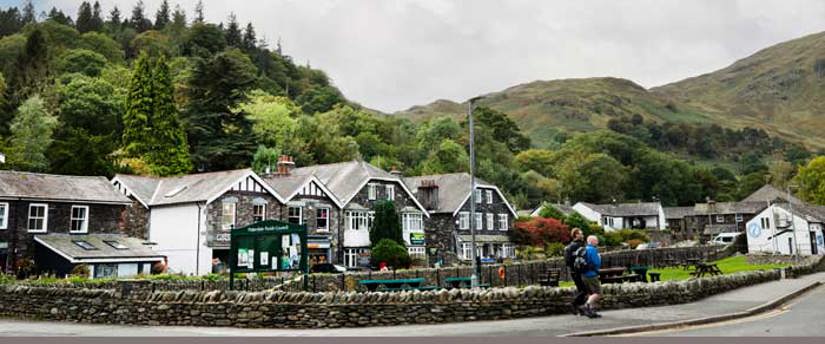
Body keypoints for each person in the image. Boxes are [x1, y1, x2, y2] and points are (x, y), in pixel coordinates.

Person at [564, 228, 587, 315]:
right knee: (584, 290)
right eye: (581, 234)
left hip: (573, 271)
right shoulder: (579, 246)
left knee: (581, 289)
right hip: (579, 271)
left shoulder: (570, 246)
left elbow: (567, 262)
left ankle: (581, 309)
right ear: (576, 235)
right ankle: (574, 304)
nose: (582, 235)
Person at [580, 235, 603, 318]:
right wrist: (599, 258)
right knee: (598, 293)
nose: (597, 242)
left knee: (591, 293)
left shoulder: (584, 249)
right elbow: (597, 263)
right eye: (596, 240)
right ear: (592, 241)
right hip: (592, 274)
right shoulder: (593, 250)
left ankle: (592, 311)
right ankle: (586, 306)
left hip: (583, 274)